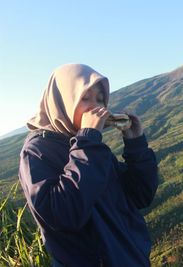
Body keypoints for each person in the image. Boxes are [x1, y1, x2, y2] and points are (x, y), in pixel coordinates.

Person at [18, 63, 159, 267]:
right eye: (85, 98)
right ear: (64, 100)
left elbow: (140, 195)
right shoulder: (37, 151)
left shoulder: (86, 145)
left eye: (100, 99)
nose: (97, 107)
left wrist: (136, 143)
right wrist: (89, 140)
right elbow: (64, 215)